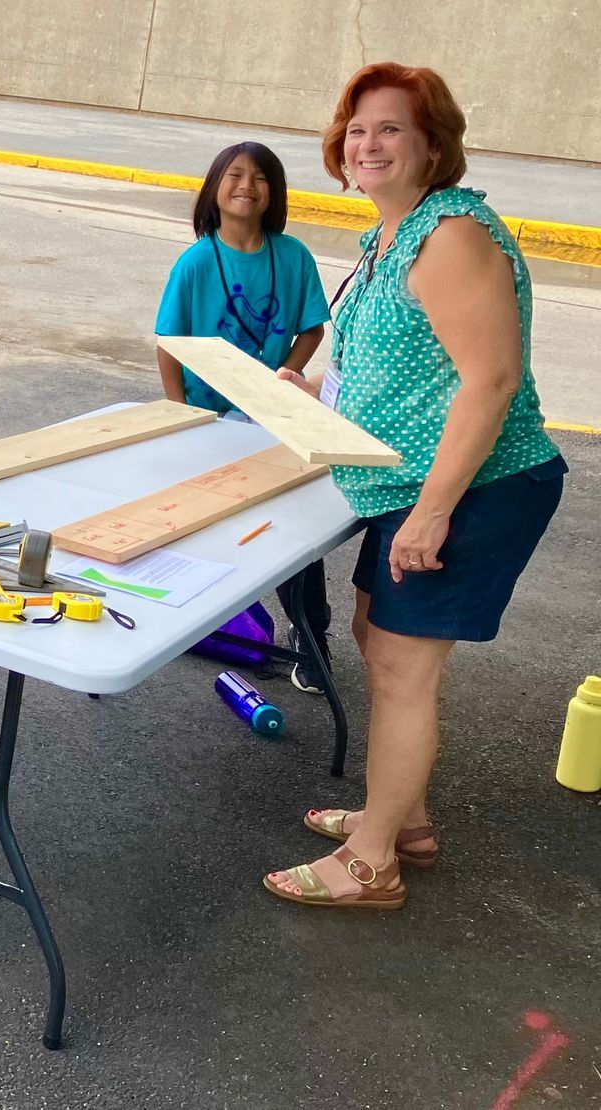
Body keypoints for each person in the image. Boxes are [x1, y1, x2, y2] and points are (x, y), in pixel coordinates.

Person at [263, 63, 567, 911]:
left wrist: (432, 513)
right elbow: (406, 377)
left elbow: (490, 381)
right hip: (413, 484)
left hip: (476, 487)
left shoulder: (451, 235)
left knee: (400, 667)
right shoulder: (394, 234)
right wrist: (313, 392)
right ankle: (405, 819)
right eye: (358, 129)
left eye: (391, 128)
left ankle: (371, 864)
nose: (369, 144)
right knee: (376, 634)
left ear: (434, 145)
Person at [153, 141, 335, 693]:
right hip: (208, 422)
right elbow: (170, 341)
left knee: (293, 529)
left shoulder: (293, 255)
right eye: (234, 175)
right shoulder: (196, 261)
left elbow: (312, 328)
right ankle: (192, 620)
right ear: (214, 187)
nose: (246, 186)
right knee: (204, 523)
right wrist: (179, 411)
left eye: (260, 178)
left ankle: (310, 637)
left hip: (270, 420)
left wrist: (287, 377)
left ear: (274, 193)